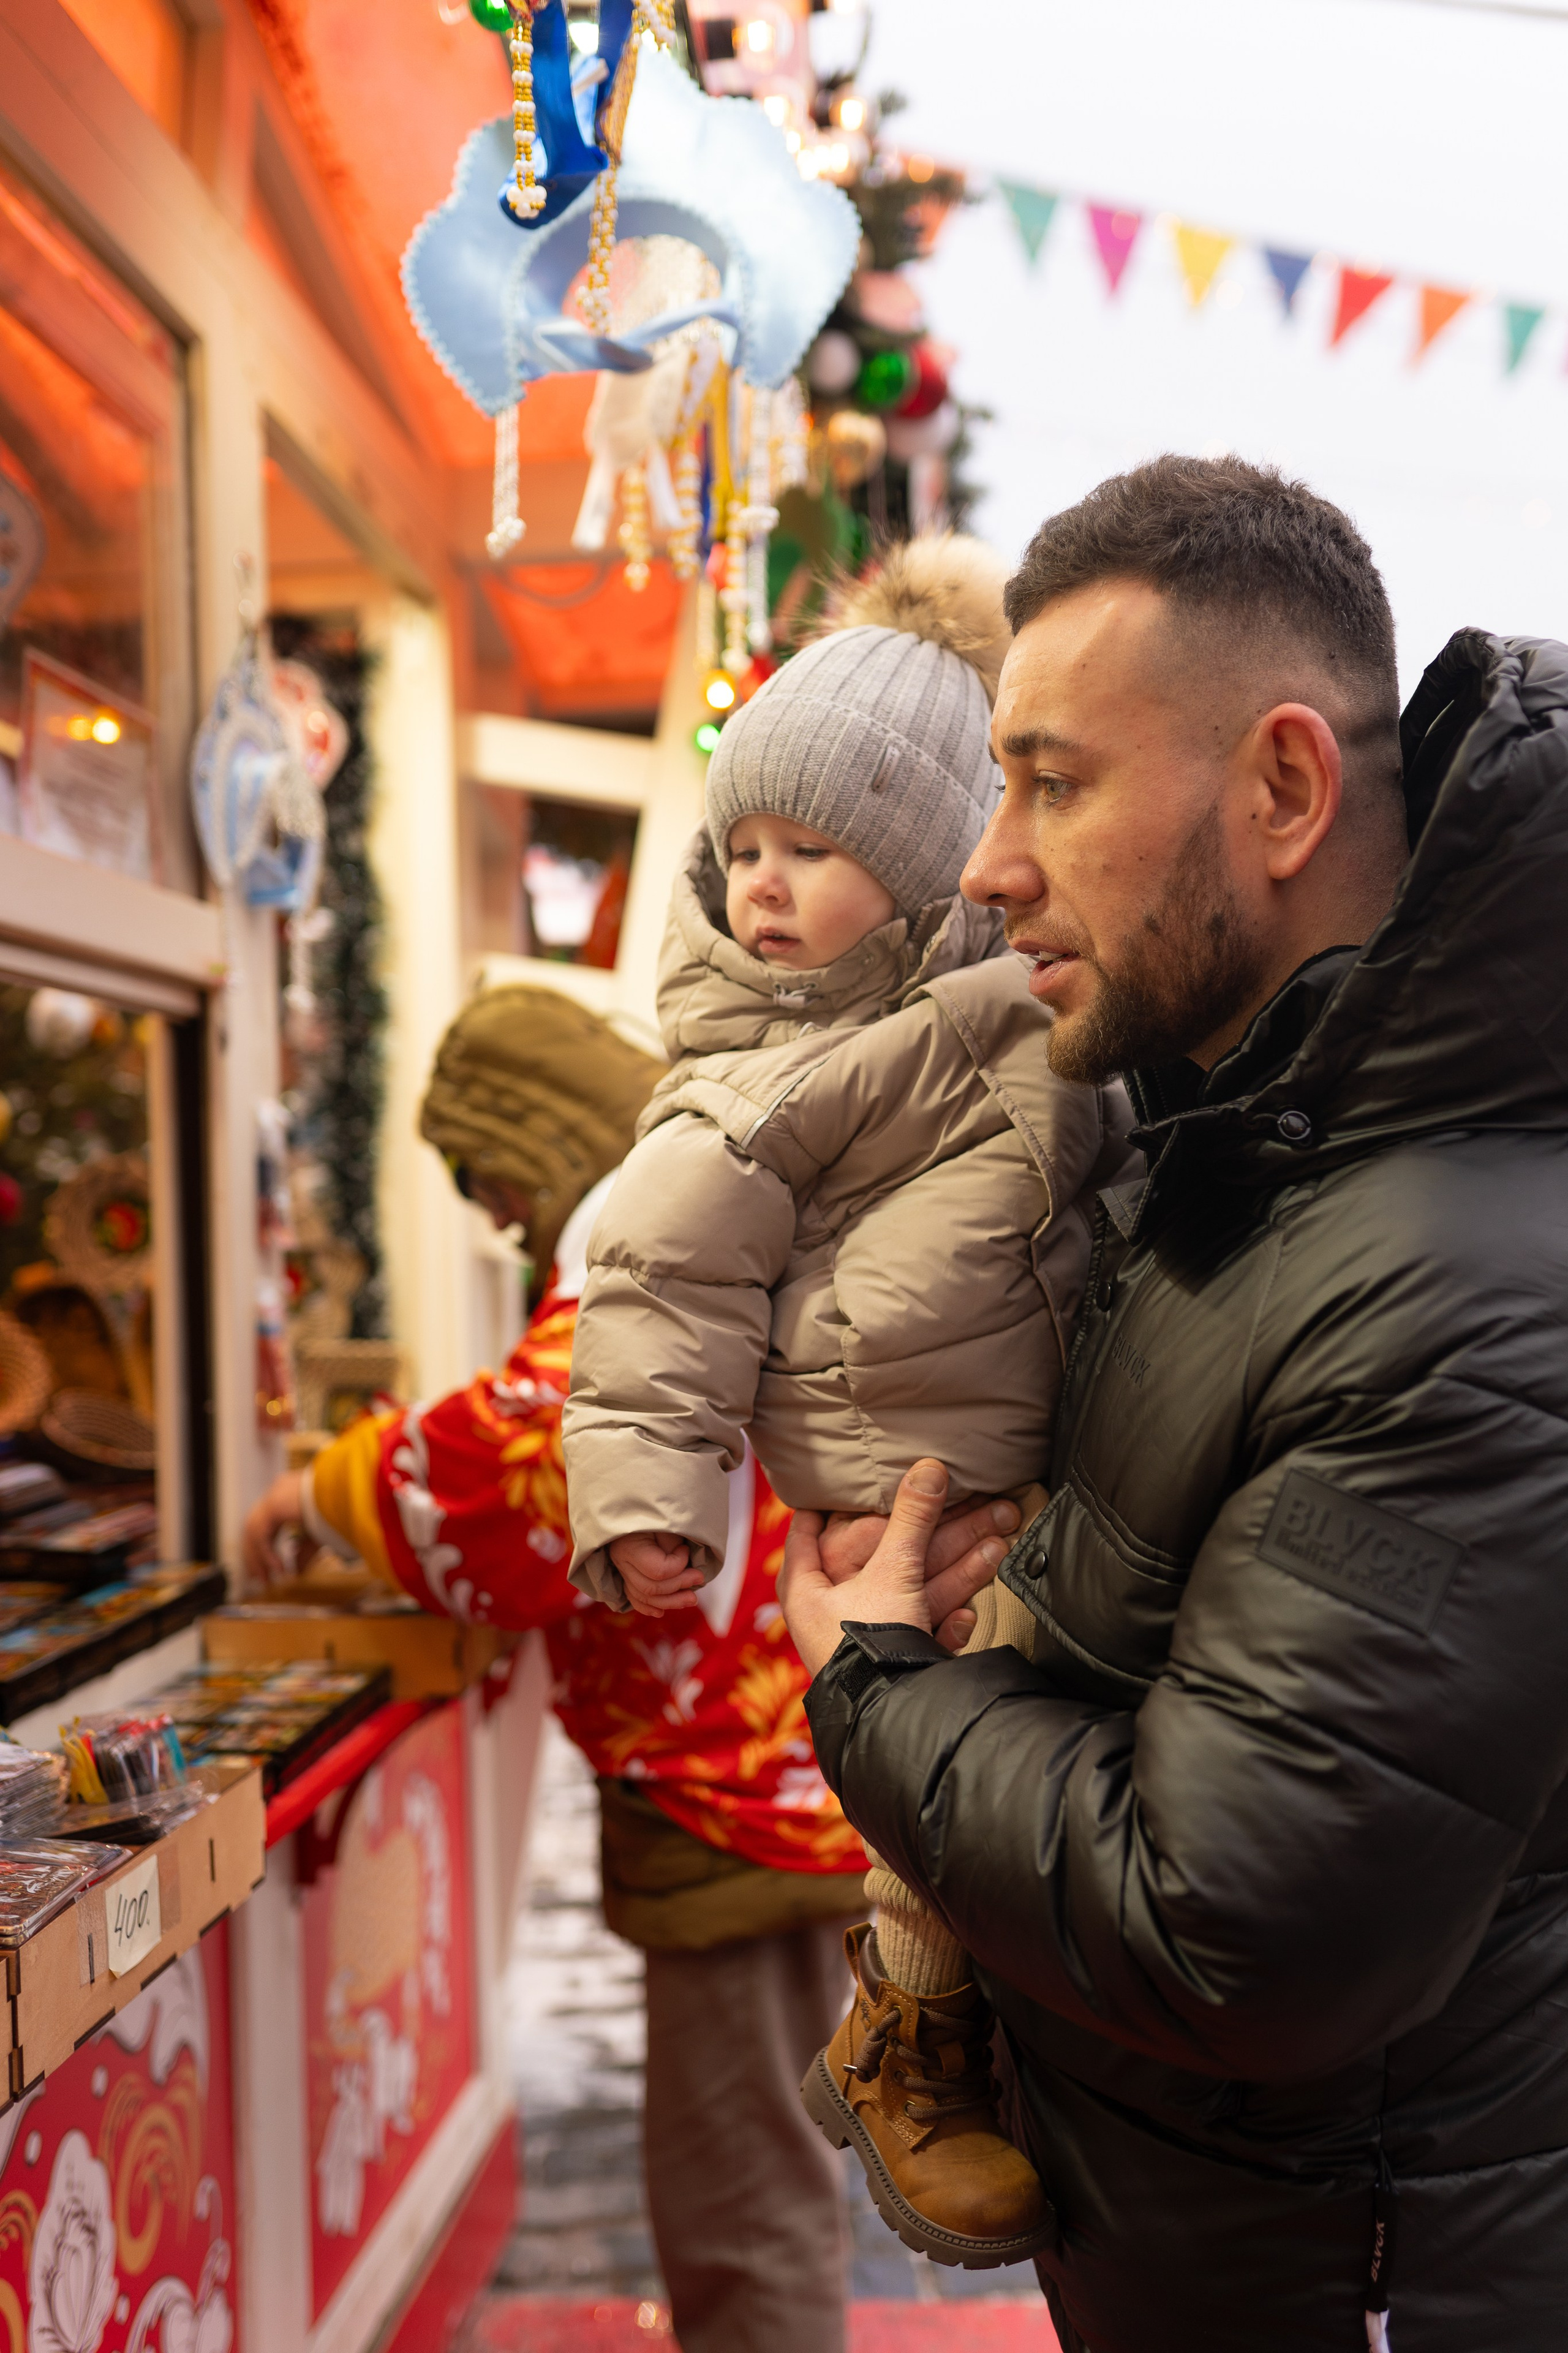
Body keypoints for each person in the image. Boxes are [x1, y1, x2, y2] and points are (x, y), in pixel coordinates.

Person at [780, 454, 1568, 2352]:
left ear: (1286, 788)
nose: (988, 863)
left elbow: (1233, 1929)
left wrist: (880, 1681)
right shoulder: (1235, 1151)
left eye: (1054, 778)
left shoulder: (1457, 1275)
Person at [243, 984, 993, 2353]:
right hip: (812, 1764)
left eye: (486, 1174)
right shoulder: (732, 1210)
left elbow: (522, 1468)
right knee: (778, 2140)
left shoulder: (642, 1248)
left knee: (734, 2181)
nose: (488, 1214)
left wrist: (320, 1492)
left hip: (734, 1801)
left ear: (541, 1140)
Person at [562, 537, 1133, 2268]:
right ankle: (916, 2041)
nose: (763, 885)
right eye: (740, 849)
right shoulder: (739, 1080)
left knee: (1068, 1759)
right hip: (886, 1472)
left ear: (921, 867)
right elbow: (662, 1280)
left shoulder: (1030, 1012)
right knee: (959, 1756)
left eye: (812, 852)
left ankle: (1016, 2041)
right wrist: (648, 1495)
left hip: (1043, 1469)